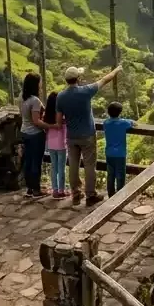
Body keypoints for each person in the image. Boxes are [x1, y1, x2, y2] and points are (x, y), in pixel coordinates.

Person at [55, 64, 122, 206]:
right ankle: (90, 195)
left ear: (66, 80)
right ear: (78, 78)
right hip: (87, 135)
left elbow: (59, 121)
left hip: (71, 136)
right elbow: (105, 80)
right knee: (89, 165)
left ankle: (76, 194)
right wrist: (116, 70)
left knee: (73, 164)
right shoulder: (86, 91)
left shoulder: (60, 97)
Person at [19, 74, 51, 198]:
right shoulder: (34, 100)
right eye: (39, 83)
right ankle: (37, 190)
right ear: (35, 85)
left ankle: (30, 189)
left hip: (24, 132)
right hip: (35, 135)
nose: (41, 85)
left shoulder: (21, 98)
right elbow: (36, 121)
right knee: (36, 162)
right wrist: (51, 126)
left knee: (28, 161)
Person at [103, 101, 135, 197]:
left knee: (110, 175)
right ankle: (120, 197)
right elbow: (133, 123)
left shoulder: (106, 123)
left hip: (109, 153)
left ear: (108, 112)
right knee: (120, 176)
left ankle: (111, 195)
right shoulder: (123, 123)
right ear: (120, 112)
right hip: (120, 154)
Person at [44, 91, 67, 199]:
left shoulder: (47, 115)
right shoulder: (61, 114)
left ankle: (54, 190)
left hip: (51, 143)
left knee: (54, 167)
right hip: (61, 143)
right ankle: (61, 190)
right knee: (61, 167)